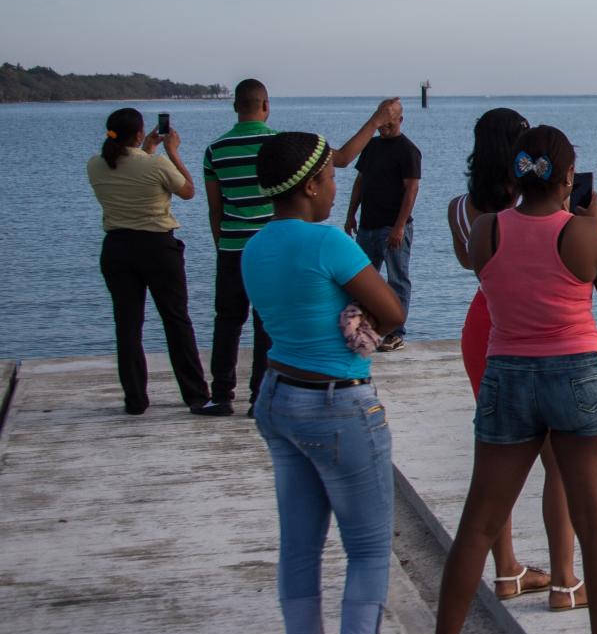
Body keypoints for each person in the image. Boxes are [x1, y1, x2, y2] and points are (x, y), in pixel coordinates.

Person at [409, 125, 597, 634]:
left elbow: (484, 271)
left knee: (478, 522)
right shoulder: (586, 235)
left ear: (517, 173)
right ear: (568, 178)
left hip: (507, 375)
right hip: (577, 376)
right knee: (596, 525)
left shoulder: (487, 230)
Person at [242, 131, 418, 634]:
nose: (337, 186)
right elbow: (393, 311)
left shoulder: (254, 246)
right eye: (332, 177)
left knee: (299, 543)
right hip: (337, 403)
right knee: (368, 548)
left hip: (278, 396)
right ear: (313, 184)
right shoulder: (329, 244)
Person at [444, 108, 580, 609]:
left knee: (496, 459)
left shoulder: (462, 208)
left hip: (484, 323)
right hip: (532, 327)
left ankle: (507, 572)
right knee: (558, 462)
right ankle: (566, 580)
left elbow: (474, 263)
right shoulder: (532, 206)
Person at [204, 81, 399, 414]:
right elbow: (343, 158)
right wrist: (377, 120)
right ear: (265, 104)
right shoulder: (286, 148)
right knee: (267, 325)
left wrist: (222, 244)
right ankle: (258, 393)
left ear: (236, 106)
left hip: (237, 245)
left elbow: (214, 208)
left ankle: (221, 394)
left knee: (227, 319)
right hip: (288, 245)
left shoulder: (216, 149)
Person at [86, 108, 208, 415]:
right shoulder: (157, 164)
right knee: (176, 320)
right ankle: (195, 395)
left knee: (127, 325)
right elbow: (188, 191)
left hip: (117, 248)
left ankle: (135, 400)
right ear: (140, 133)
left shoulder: (96, 165)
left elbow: (129, 167)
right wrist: (171, 151)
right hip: (157, 248)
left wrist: (148, 149)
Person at [344, 100, 421, 351]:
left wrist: (399, 227)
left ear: (400, 120)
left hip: (393, 226)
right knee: (360, 279)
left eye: (390, 122)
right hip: (367, 225)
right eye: (381, 122)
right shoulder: (371, 146)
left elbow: (411, 190)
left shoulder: (409, 150)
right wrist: (351, 214)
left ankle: (396, 333)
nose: (384, 128)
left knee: (397, 279)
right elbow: (360, 181)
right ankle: (359, 329)